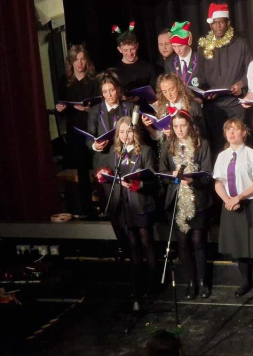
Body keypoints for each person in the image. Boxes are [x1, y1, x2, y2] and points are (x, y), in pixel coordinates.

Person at [213, 118, 253, 298]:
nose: (231, 133)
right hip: (230, 205)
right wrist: (228, 200)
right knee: (238, 244)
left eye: (235, 129)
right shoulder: (222, 156)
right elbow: (218, 183)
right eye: (228, 130)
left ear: (243, 133)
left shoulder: (252, 154)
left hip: (249, 203)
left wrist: (239, 197)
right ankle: (245, 282)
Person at [95, 117, 158, 294]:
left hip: (141, 204)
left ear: (135, 132)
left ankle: (153, 284)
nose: (125, 135)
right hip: (124, 205)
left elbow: (153, 179)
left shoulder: (145, 151)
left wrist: (137, 184)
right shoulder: (116, 153)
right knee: (132, 244)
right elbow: (106, 170)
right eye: (121, 132)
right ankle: (138, 283)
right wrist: (103, 173)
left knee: (146, 242)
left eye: (128, 131)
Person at [159, 110, 213, 299]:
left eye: (183, 125)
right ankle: (190, 282)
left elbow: (208, 175)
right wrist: (173, 177)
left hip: (197, 199)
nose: (180, 129)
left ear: (190, 125)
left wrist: (192, 181)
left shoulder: (202, 144)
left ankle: (203, 281)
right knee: (182, 242)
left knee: (198, 241)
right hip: (177, 200)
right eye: (176, 126)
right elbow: (162, 173)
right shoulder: (169, 145)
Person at [196, 3, 252, 148]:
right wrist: (205, 93)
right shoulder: (203, 46)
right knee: (217, 147)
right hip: (213, 108)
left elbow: (250, 72)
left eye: (221, 22)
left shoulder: (241, 44)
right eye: (215, 23)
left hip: (235, 106)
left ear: (228, 23)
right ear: (210, 25)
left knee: (238, 146)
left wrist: (241, 84)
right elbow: (200, 76)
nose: (218, 26)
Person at [55, 44, 100, 217]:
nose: (80, 63)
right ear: (71, 62)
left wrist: (90, 109)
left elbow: (100, 103)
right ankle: (86, 209)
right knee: (81, 170)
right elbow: (61, 104)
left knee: (98, 168)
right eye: (76, 60)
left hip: (92, 128)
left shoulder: (94, 79)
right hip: (75, 130)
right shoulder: (65, 81)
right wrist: (60, 108)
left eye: (82, 59)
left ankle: (104, 205)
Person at [86, 73, 134, 177]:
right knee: (109, 193)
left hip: (127, 158)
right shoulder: (95, 111)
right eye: (105, 92)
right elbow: (89, 139)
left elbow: (138, 133)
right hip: (104, 160)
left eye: (111, 90)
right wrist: (95, 146)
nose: (109, 95)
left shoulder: (130, 107)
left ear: (118, 89)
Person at [142, 74, 205, 140]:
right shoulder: (163, 108)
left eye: (171, 90)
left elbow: (202, 133)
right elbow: (161, 137)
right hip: (171, 149)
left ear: (179, 87)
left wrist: (176, 133)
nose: (169, 95)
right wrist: (148, 127)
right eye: (165, 92)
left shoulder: (192, 106)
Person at [111, 23, 157, 95]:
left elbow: (155, 92)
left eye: (132, 49)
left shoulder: (148, 67)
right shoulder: (114, 71)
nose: (129, 53)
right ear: (119, 49)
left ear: (137, 46)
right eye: (125, 50)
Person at [164, 21, 204, 88]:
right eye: (174, 46)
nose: (178, 50)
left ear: (188, 42)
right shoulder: (169, 62)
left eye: (181, 46)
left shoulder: (200, 59)